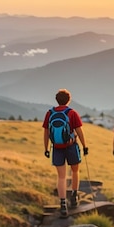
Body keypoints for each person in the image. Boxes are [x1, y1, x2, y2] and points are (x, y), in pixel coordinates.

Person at [43, 88, 88, 217]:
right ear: (69, 100)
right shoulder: (72, 113)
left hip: (57, 147)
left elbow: (46, 132)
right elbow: (79, 131)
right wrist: (84, 146)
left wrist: (46, 148)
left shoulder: (50, 113)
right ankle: (74, 197)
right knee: (75, 171)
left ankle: (62, 204)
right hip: (71, 146)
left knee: (61, 177)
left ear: (57, 100)